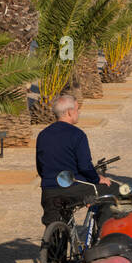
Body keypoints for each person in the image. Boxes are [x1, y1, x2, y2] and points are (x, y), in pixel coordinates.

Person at [36, 94, 111, 227]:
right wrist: (98, 179)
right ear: (70, 112)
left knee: (55, 228)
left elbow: (41, 167)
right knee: (111, 192)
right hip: (73, 189)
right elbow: (85, 167)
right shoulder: (77, 134)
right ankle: (103, 238)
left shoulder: (43, 135)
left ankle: (51, 245)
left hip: (48, 191)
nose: (79, 112)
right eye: (77, 109)